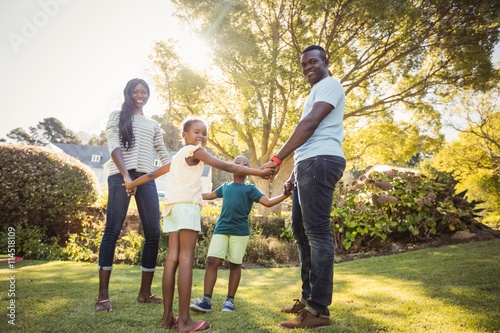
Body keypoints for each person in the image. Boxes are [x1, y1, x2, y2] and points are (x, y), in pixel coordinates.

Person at [125, 118, 273, 332]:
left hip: (171, 208)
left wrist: (131, 184)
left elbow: (152, 174)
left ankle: (168, 319)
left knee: (172, 259)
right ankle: (184, 321)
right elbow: (225, 165)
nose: (201, 136)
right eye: (196, 132)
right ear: (184, 134)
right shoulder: (195, 151)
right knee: (186, 259)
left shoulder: (177, 156)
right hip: (186, 208)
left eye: (204, 133)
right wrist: (259, 172)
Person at [260, 45, 346, 329]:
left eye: (312, 61)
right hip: (308, 164)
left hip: (321, 161)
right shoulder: (314, 91)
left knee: (317, 233)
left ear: (325, 61)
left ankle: (318, 311)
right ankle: (308, 299)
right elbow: (307, 135)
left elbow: (309, 125)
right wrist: (294, 172)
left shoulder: (330, 85)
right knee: (300, 230)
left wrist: (277, 158)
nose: (307, 67)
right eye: (303, 64)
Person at [96, 78, 171, 312]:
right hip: (120, 177)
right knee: (112, 230)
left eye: (144, 91)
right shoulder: (117, 116)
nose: (140, 95)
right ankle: (102, 297)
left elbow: (164, 154)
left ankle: (145, 293)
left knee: (153, 233)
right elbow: (113, 145)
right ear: (128, 93)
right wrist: (127, 177)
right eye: (135, 91)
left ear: (148, 94)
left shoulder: (153, 124)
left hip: (146, 178)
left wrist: (184, 162)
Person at [190, 155, 292, 314]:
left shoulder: (250, 189)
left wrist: (286, 195)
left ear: (248, 170)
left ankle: (229, 301)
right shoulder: (225, 187)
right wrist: (189, 195)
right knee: (212, 261)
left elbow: (268, 202)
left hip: (240, 231)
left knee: (235, 263)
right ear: (231, 166)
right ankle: (206, 301)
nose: (241, 165)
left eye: (245, 163)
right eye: (237, 163)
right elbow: (208, 196)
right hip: (221, 228)